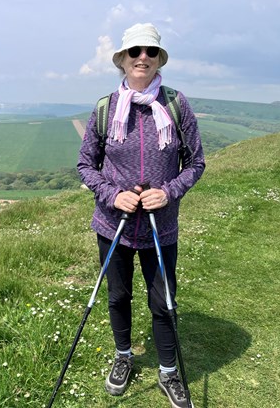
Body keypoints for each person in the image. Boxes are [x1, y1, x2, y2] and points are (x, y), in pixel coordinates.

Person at [77, 23, 205, 408]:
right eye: (135, 52)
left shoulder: (177, 105)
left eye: (150, 51)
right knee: (118, 296)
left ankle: (168, 373)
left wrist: (167, 192)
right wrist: (113, 195)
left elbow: (195, 163)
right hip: (112, 225)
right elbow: (86, 165)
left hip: (160, 227)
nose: (142, 58)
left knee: (163, 301)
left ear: (158, 59)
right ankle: (124, 357)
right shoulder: (105, 109)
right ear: (123, 60)